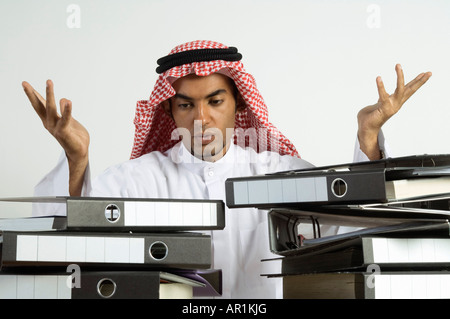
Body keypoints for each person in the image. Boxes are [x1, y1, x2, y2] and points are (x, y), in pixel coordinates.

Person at [22, 40, 432, 298]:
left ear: (238, 103)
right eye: (186, 104)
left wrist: (368, 140)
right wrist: (77, 160)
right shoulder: (136, 179)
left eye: (215, 101)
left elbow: (352, 232)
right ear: (170, 110)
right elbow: (66, 243)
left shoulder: (284, 174)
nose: (201, 118)